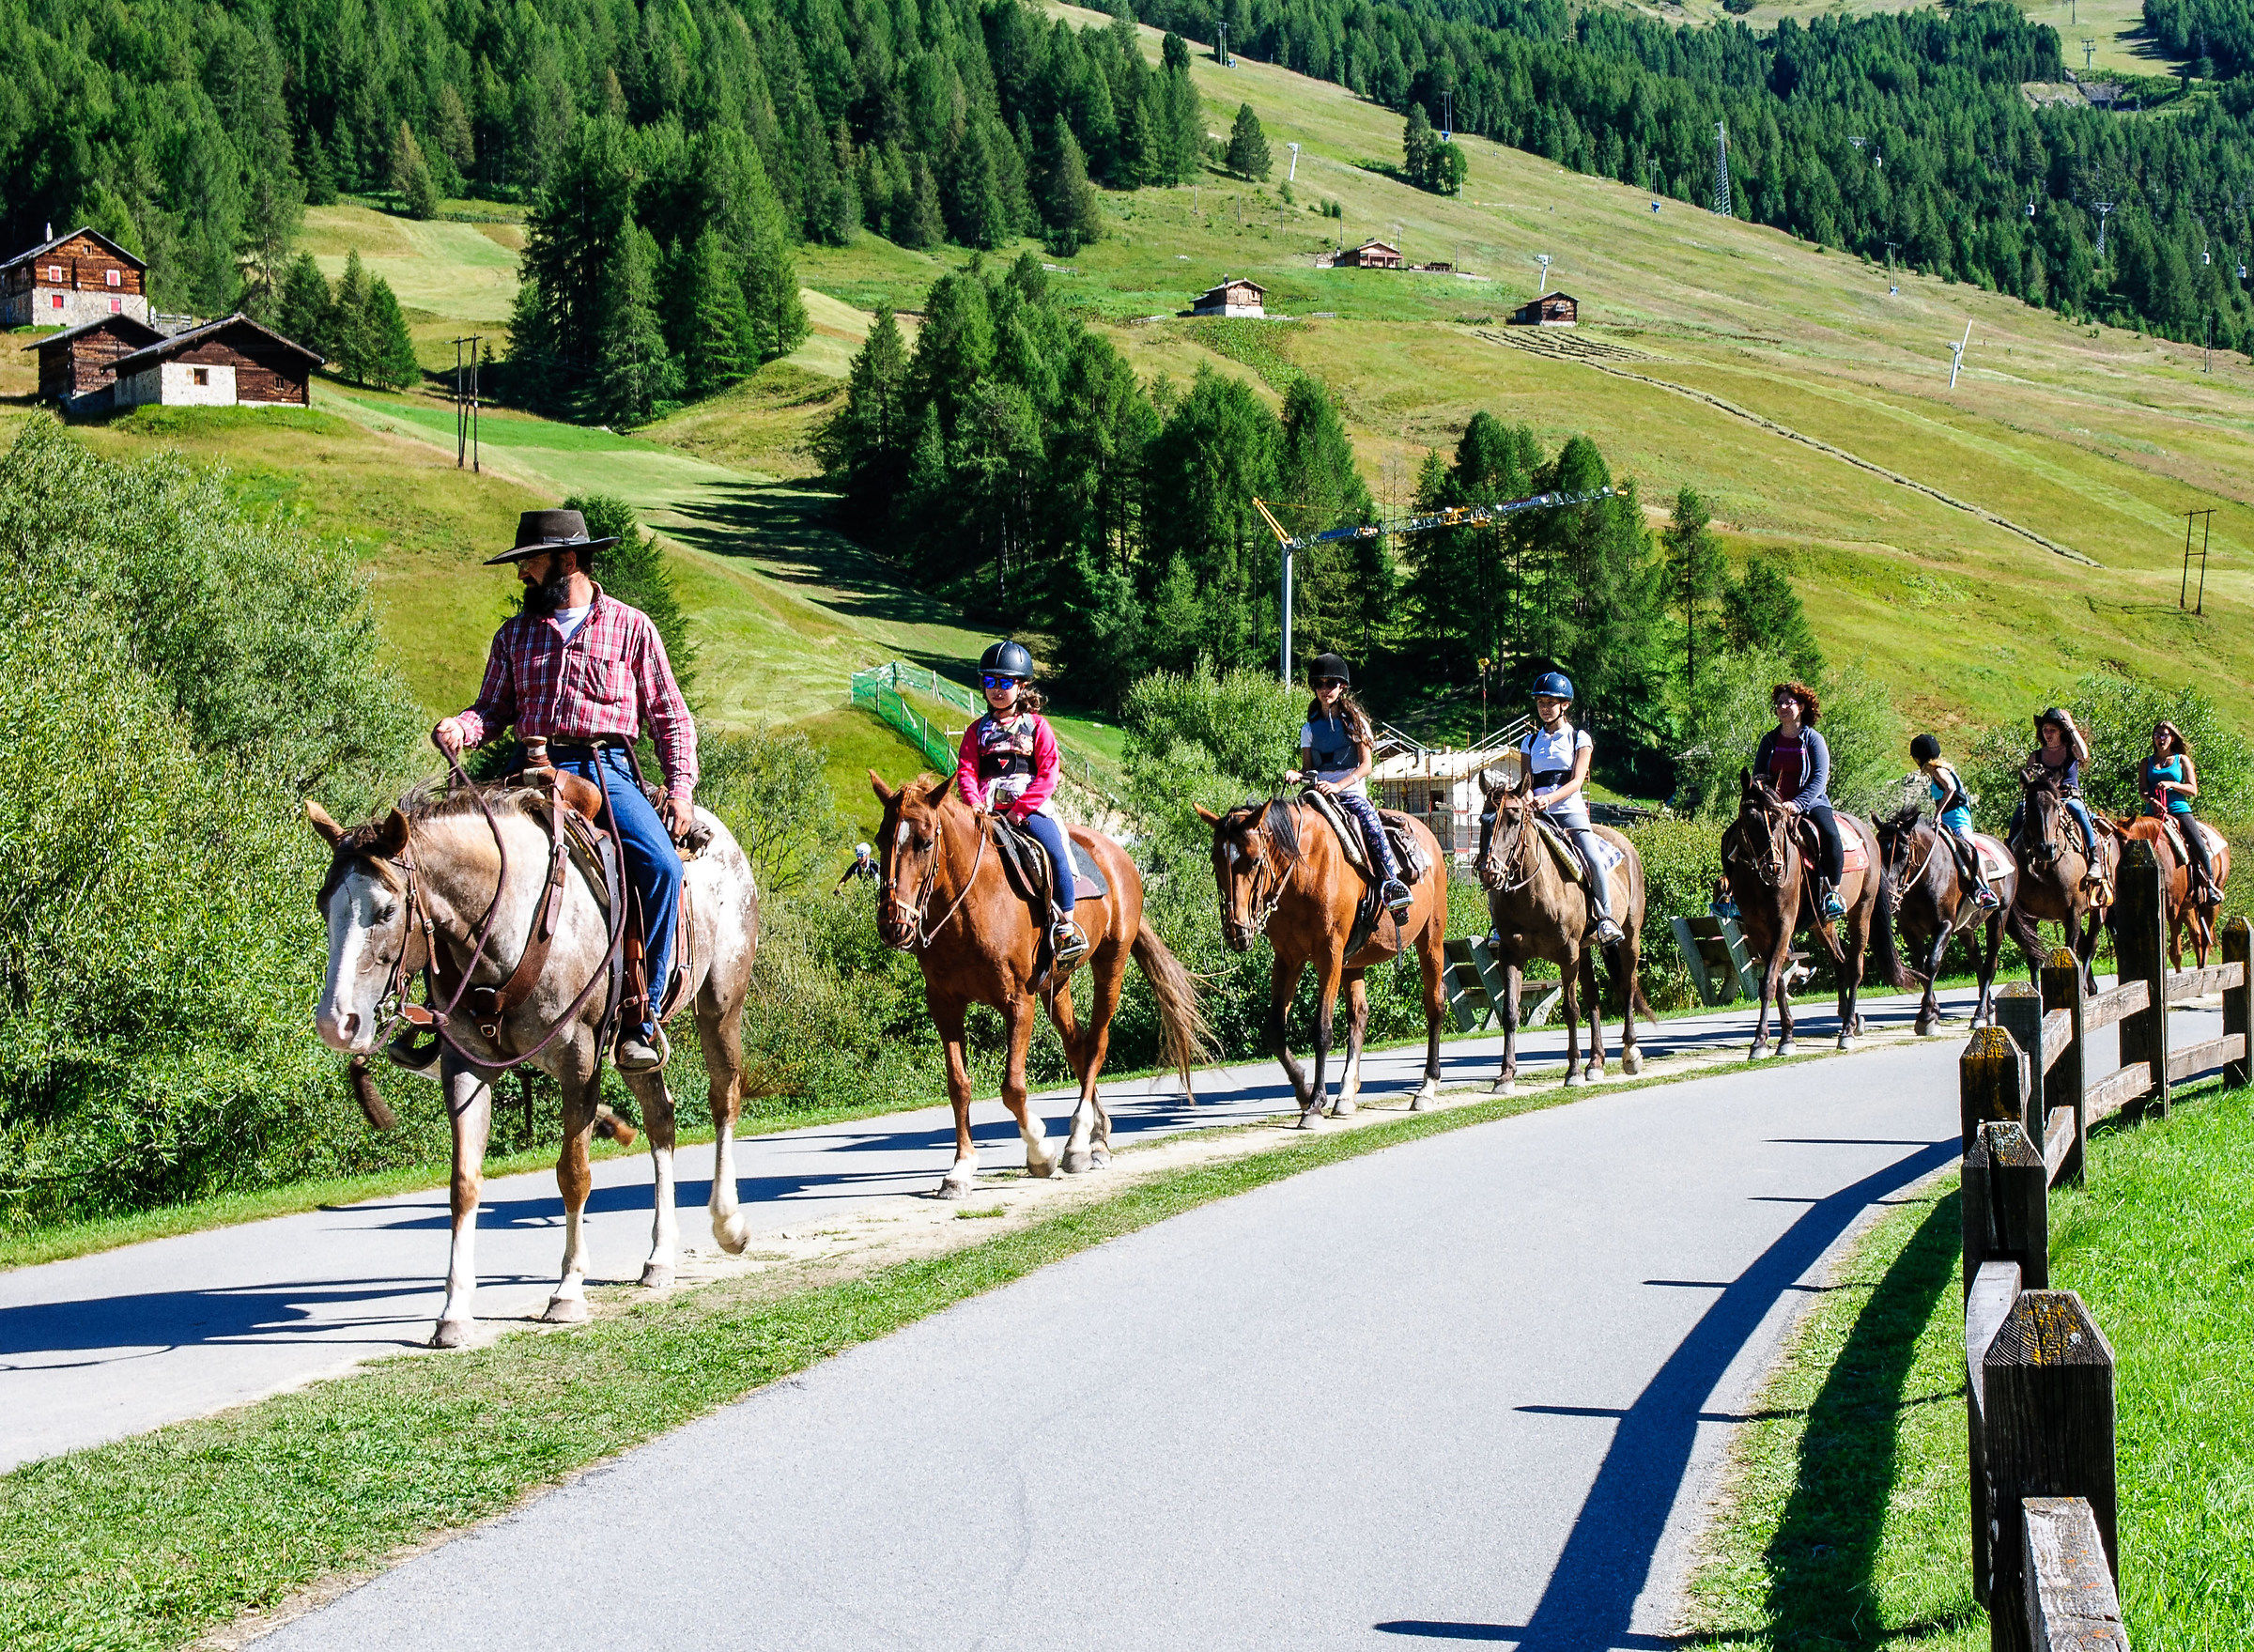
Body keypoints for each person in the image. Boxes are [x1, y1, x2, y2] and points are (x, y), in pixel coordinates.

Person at [434, 509, 694, 1073]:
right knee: (440, 855)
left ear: (567, 561)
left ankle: (638, 1018)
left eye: (530, 562)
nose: (522, 574)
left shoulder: (631, 628)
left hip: (605, 770)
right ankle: (441, 1015)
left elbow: (670, 715)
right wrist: (462, 727)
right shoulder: (514, 635)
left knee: (663, 869)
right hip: (524, 768)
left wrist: (680, 789)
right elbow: (491, 711)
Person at [955, 641, 1088, 967]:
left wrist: (1020, 810)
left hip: (1027, 809)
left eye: (1005, 682)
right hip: (985, 810)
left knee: (1056, 851)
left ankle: (1066, 928)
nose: (996, 690)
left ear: (1022, 685)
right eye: (990, 682)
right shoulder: (977, 730)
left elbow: (1048, 775)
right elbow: (966, 770)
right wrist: (973, 803)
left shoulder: (1037, 727)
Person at [1283, 653, 1413, 919]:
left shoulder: (1356, 723)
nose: (1324, 689)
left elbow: (1366, 766)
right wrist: (1298, 774)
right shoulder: (1308, 729)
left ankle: (1391, 883)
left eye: (1330, 683)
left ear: (1342, 686)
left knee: (1370, 824)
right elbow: (1309, 770)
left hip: (1350, 792)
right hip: (1318, 792)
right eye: (1319, 684)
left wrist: (1340, 786)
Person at [1517, 671, 1626, 946]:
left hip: (1569, 813)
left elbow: (1577, 781)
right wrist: (1530, 796)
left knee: (1592, 857)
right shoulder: (1529, 742)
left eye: (1550, 703)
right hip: (1538, 816)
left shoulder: (1579, 738)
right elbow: (1526, 781)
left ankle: (1605, 918)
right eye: (1540, 703)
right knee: (1509, 856)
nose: (1544, 708)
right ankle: (1502, 924)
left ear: (1564, 704)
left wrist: (1550, 800)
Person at [1753, 681, 1846, 923]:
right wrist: (1765, 799)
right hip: (1774, 805)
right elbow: (1758, 776)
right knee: (1739, 834)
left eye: (1788, 702)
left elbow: (1819, 778)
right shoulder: (1769, 741)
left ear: (1802, 707)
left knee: (1830, 834)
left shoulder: (1814, 740)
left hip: (1811, 803)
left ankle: (1832, 894)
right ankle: (1730, 893)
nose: (1782, 707)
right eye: (1779, 703)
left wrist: (1798, 803)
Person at [1911, 733, 1999, 910]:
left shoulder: (1938, 771)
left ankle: (1985, 890)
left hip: (1958, 819)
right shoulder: (1937, 771)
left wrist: (1938, 813)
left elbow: (1950, 788)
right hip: (1948, 819)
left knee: (1970, 848)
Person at [2144, 719, 2220, 903]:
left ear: (2172, 738)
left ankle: (2209, 884)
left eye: (2164, 735)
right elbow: (2143, 790)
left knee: (2197, 843)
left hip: (2179, 810)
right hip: (2153, 812)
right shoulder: (2146, 762)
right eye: (2157, 735)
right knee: (2131, 842)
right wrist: (2152, 800)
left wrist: (2172, 784)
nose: (2160, 739)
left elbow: (2193, 789)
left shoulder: (2181, 760)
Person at [2010, 707, 2097, 861]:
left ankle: (2093, 854)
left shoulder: (2071, 751)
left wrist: (2071, 726)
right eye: (2045, 730)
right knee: (2021, 808)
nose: (2047, 734)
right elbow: (2028, 781)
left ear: (2061, 732)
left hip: (2068, 798)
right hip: (2043, 800)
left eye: (2052, 730)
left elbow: (2084, 755)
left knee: (2077, 809)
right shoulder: (2036, 756)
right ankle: (2010, 848)